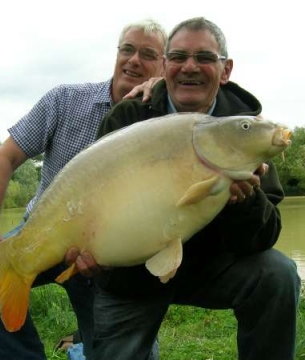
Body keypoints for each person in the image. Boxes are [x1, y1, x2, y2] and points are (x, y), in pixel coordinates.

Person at [92, 17, 301, 360]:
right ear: (164, 65)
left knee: (277, 274)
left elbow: (264, 237)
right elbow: (96, 200)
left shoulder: (247, 129)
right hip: (131, 272)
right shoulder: (129, 116)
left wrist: (244, 203)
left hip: (212, 266)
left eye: (204, 58)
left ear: (225, 69)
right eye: (178, 57)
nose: (190, 67)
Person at [0, 19, 167, 360]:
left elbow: (213, 122)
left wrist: (165, 92)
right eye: (127, 49)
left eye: (148, 54)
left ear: (162, 64)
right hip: (42, 233)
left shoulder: (162, 115)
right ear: (116, 54)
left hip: (108, 253)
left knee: (123, 354)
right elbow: (4, 158)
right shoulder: (65, 99)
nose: (133, 60)